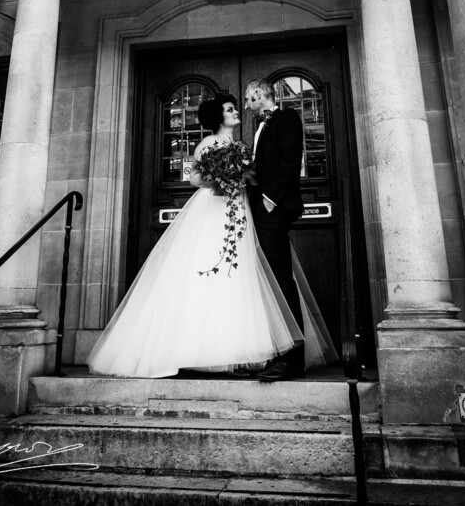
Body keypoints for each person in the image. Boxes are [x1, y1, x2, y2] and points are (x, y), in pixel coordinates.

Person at [87, 94, 305, 378]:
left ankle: (239, 352)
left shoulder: (240, 146)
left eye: (235, 108)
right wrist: (222, 178)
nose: (236, 111)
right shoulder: (208, 143)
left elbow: (254, 174)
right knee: (211, 267)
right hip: (214, 210)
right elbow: (195, 178)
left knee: (241, 276)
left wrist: (241, 177)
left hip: (239, 210)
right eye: (230, 110)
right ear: (219, 118)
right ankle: (203, 351)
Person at [243, 77, 307, 382]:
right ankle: (277, 351)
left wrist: (270, 199)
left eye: (248, 99)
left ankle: (291, 359)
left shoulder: (287, 117)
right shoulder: (261, 126)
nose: (246, 105)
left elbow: (291, 161)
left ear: (258, 94)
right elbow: (266, 164)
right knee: (270, 278)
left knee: (280, 278)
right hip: (259, 207)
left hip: (274, 208)